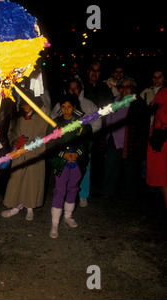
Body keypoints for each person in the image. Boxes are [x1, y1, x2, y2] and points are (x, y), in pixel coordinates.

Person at [46, 94, 92, 239]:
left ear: (74, 107)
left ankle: (68, 216)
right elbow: (50, 143)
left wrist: (78, 153)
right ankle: (54, 223)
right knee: (60, 190)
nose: (66, 110)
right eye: (63, 107)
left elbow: (87, 141)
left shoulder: (82, 123)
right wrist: (63, 155)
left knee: (73, 188)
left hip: (76, 162)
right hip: (62, 163)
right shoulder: (55, 124)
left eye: (69, 107)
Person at [51, 78, 101, 207]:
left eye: (76, 88)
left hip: (81, 145)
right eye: (70, 88)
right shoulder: (59, 105)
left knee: (83, 170)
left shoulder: (89, 104)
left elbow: (97, 122)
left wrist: (83, 134)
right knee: (62, 176)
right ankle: (60, 198)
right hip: (64, 147)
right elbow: (53, 124)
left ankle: (83, 195)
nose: (73, 91)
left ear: (81, 89)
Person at [98, 77, 150, 199]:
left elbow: (143, 125)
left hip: (130, 142)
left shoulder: (138, 103)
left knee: (131, 170)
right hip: (113, 140)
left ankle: (130, 195)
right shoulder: (114, 101)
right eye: (122, 86)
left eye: (128, 87)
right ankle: (107, 191)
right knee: (110, 167)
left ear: (133, 89)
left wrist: (140, 142)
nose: (125, 89)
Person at [1, 91, 48, 220]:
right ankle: (15, 206)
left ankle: (30, 208)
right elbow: (11, 133)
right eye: (24, 104)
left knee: (32, 182)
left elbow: (44, 136)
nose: (26, 107)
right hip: (19, 154)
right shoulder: (17, 119)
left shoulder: (42, 119)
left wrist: (32, 146)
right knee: (17, 180)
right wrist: (17, 143)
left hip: (34, 154)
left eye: (29, 104)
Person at [146, 86, 167, 212]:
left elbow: (163, 116)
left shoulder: (163, 92)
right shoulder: (163, 92)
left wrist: (154, 106)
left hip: (163, 140)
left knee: (163, 176)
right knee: (163, 176)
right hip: (162, 139)